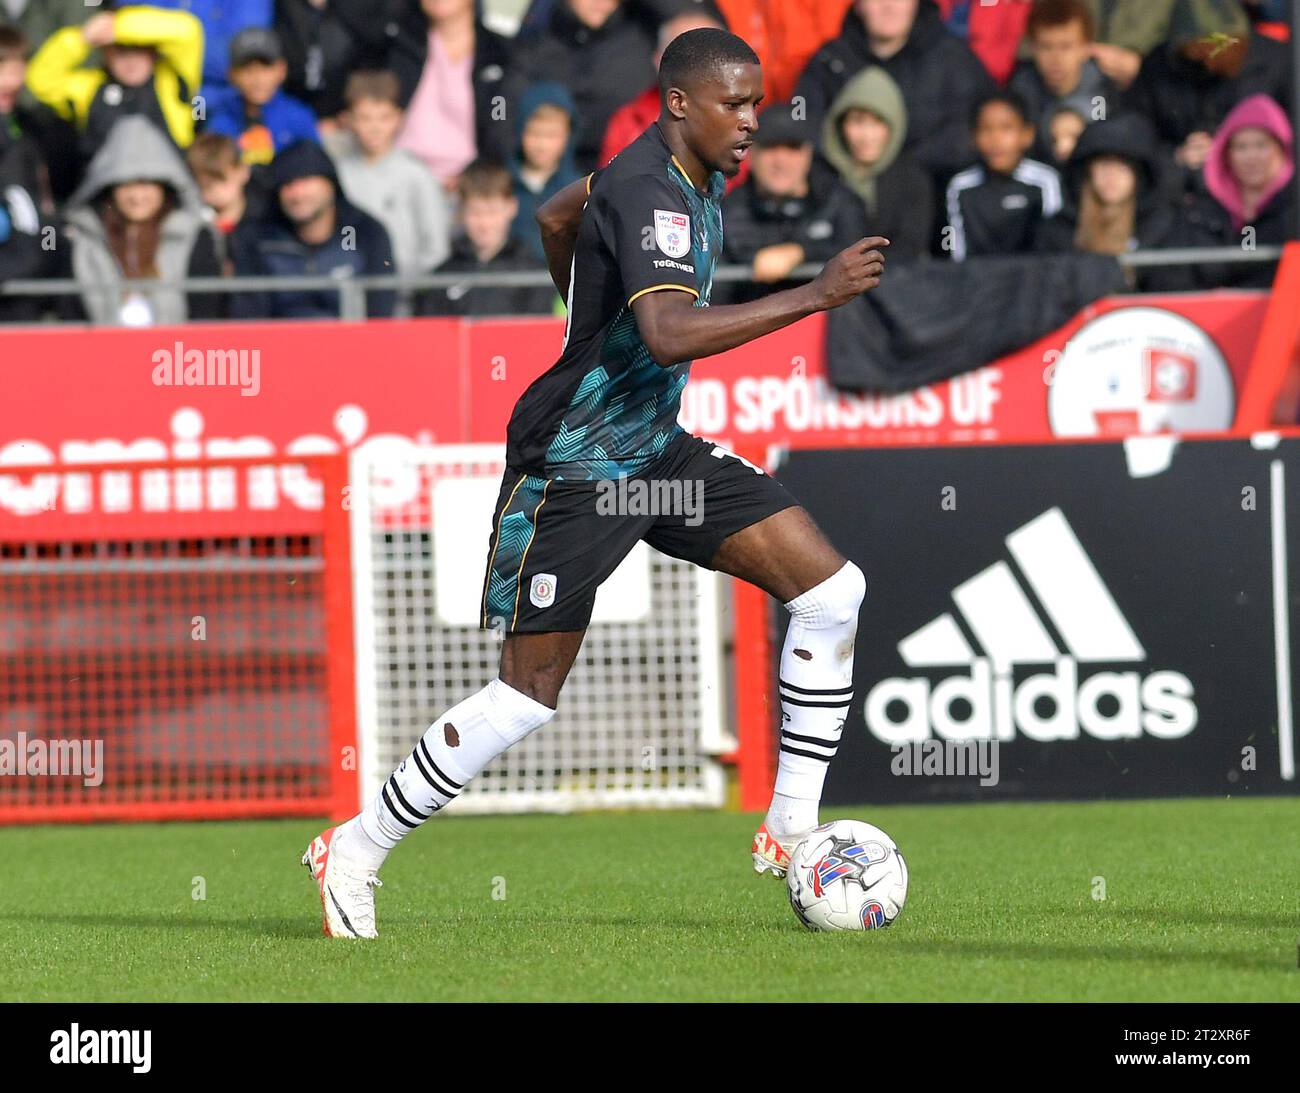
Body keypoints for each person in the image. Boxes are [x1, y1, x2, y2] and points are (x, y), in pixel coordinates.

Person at [303, 28, 889, 939]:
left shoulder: (675, 172)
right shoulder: (646, 184)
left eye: (757, 102)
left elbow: (552, 218)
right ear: (681, 104)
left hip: (652, 454)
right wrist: (812, 297)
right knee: (523, 697)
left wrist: (584, 316)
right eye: (734, 104)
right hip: (574, 467)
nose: (751, 122)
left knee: (831, 590)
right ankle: (356, 847)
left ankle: (788, 826)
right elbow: (665, 333)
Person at [793, 0, 994, 184]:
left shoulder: (954, 59)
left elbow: (977, 130)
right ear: (858, 5)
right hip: (843, 187)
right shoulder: (829, 60)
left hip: (934, 191)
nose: (889, 6)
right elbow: (801, 120)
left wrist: (902, 166)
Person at [57, 115, 223, 325]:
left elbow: (207, 314)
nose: (137, 197)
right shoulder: (80, 239)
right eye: (126, 185)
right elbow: (69, 314)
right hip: (98, 354)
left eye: (146, 184)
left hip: (176, 354)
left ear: (166, 186)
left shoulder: (196, 237)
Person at [1124, 0, 1289, 193]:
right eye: (1201, 48)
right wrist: (1176, 157)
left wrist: (1232, 148)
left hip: (1262, 189)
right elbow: (1134, 134)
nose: (1210, 55)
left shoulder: (1275, 62)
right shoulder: (1158, 66)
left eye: (1218, 45)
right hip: (1180, 192)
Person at [719, 101, 872, 304]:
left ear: (808, 154)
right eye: (770, 147)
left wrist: (800, 252)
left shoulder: (840, 203)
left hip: (834, 327)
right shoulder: (726, 213)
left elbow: (861, 255)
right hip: (754, 328)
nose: (781, 160)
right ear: (750, 154)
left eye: (792, 147)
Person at [229, 138, 395, 319]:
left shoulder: (365, 232)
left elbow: (381, 309)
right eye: (288, 184)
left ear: (331, 183)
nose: (297, 194)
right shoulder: (260, 239)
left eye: (306, 179)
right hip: (279, 344)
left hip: (354, 343)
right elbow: (247, 315)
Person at [333, 69, 452, 297]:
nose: (375, 127)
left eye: (384, 117)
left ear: (399, 118)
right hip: (348, 298)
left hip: (403, 298)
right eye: (365, 118)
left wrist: (407, 286)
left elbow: (436, 247)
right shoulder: (338, 174)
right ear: (348, 120)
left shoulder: (417, 175)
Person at [25, 6, 203, 156]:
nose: (131, 62)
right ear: (105, 54)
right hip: (105, 188)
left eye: (139, 50)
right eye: (121, 52)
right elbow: (40, 80)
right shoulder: (90, 88)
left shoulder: (174, 80)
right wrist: (82, 39)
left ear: (154, 53)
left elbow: (188, 29)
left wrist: (117, 28)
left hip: (169, 185)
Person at [1037, 113, 1187, 290]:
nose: (1111, 177)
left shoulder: (1162, 226)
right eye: (1102, 166)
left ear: (1139, 176)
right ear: (1087, 173)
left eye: (1122, 167)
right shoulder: (1060, 228)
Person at [509, 0, 657, 174]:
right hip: (547, 173)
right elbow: (502, 104)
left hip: (620, 169)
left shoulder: (640, 37)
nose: (600, 3)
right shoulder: (537, 41)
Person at [388, 0, 516, 187]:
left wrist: (478, 172)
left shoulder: (498, 55)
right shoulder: (398, 42)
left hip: (468, 185)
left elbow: (500, 116)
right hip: (398, 174)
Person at [818, 68, 934, 261]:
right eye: (857, 121)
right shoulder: (821, 175)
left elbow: (910, 247)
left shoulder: (913, 181)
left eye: (878, 122)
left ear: (894, 125)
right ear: (840, 124)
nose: (866, 135)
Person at [417, 159, 556, 317]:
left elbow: (539, 333)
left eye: (492, 212)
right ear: (461, 211)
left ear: (511, 207)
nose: (484, 224)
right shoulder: (443, 275)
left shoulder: (532, 274)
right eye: (475, 213)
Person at [1182, 92, 1294, 289]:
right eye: (1241, 147)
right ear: (1226, 155)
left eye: (1261, 145)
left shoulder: (1292, 207)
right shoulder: (1203, 210)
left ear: (1281, 149)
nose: (1251, 157)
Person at [944, 90, 1063, 261]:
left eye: (1006, 128)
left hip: (1034, 281)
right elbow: (958, 255)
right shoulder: (960, 186)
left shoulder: (1045, 181)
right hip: (976, 283)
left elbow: (1054, 249)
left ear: (1027, 134)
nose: (996, 139)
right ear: (973, 137)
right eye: (986, 129)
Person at [1009, 0, 1115, 153]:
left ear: (1086, 48)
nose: (1056, 59)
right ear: (1032, 48)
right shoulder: (1019, 91)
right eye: (1046, 46)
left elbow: (1107, 134)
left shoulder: (1105, 90)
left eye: (1066, 47)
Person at [205, 27, 319, 166]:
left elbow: (314, 167)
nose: (257, 78)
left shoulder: (299, 117)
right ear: (231, 74)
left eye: (265, 67)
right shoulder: (219, 116)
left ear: (282, 70)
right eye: (247, 69)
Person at [508, 81, 580, 263]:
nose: (542, 145)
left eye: (551, 135)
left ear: (568, 136)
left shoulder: (579, 190)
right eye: (534, 133)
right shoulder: (503, 184)